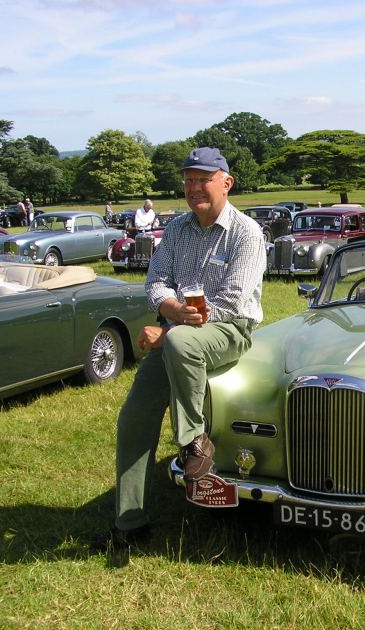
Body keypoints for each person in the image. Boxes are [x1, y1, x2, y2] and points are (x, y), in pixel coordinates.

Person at [98, 147, 266, 552]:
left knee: (176, 339)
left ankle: (193, 442)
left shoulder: (246, 233)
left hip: (229, 330)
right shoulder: (175, 229)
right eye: (188, 180)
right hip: (177, 334)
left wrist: (171, 323)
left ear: (226, 183)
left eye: (203, 179)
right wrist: (170, 310)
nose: (194, 188)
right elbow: (156, 282)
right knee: (134, 417)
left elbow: (231, 301)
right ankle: (129, 523)